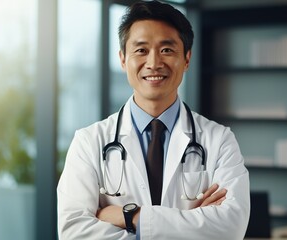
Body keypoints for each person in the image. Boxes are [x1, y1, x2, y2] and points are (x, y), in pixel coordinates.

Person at [57, 1, 250, 239]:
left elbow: (231, 227)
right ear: (122, 59)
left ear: (187, 58)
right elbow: (74, 232)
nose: (154, 63)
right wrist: (191, 224)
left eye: (167, 50)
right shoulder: (88, 142)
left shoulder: (219, 140)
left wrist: (130, 217)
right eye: (141, 50)